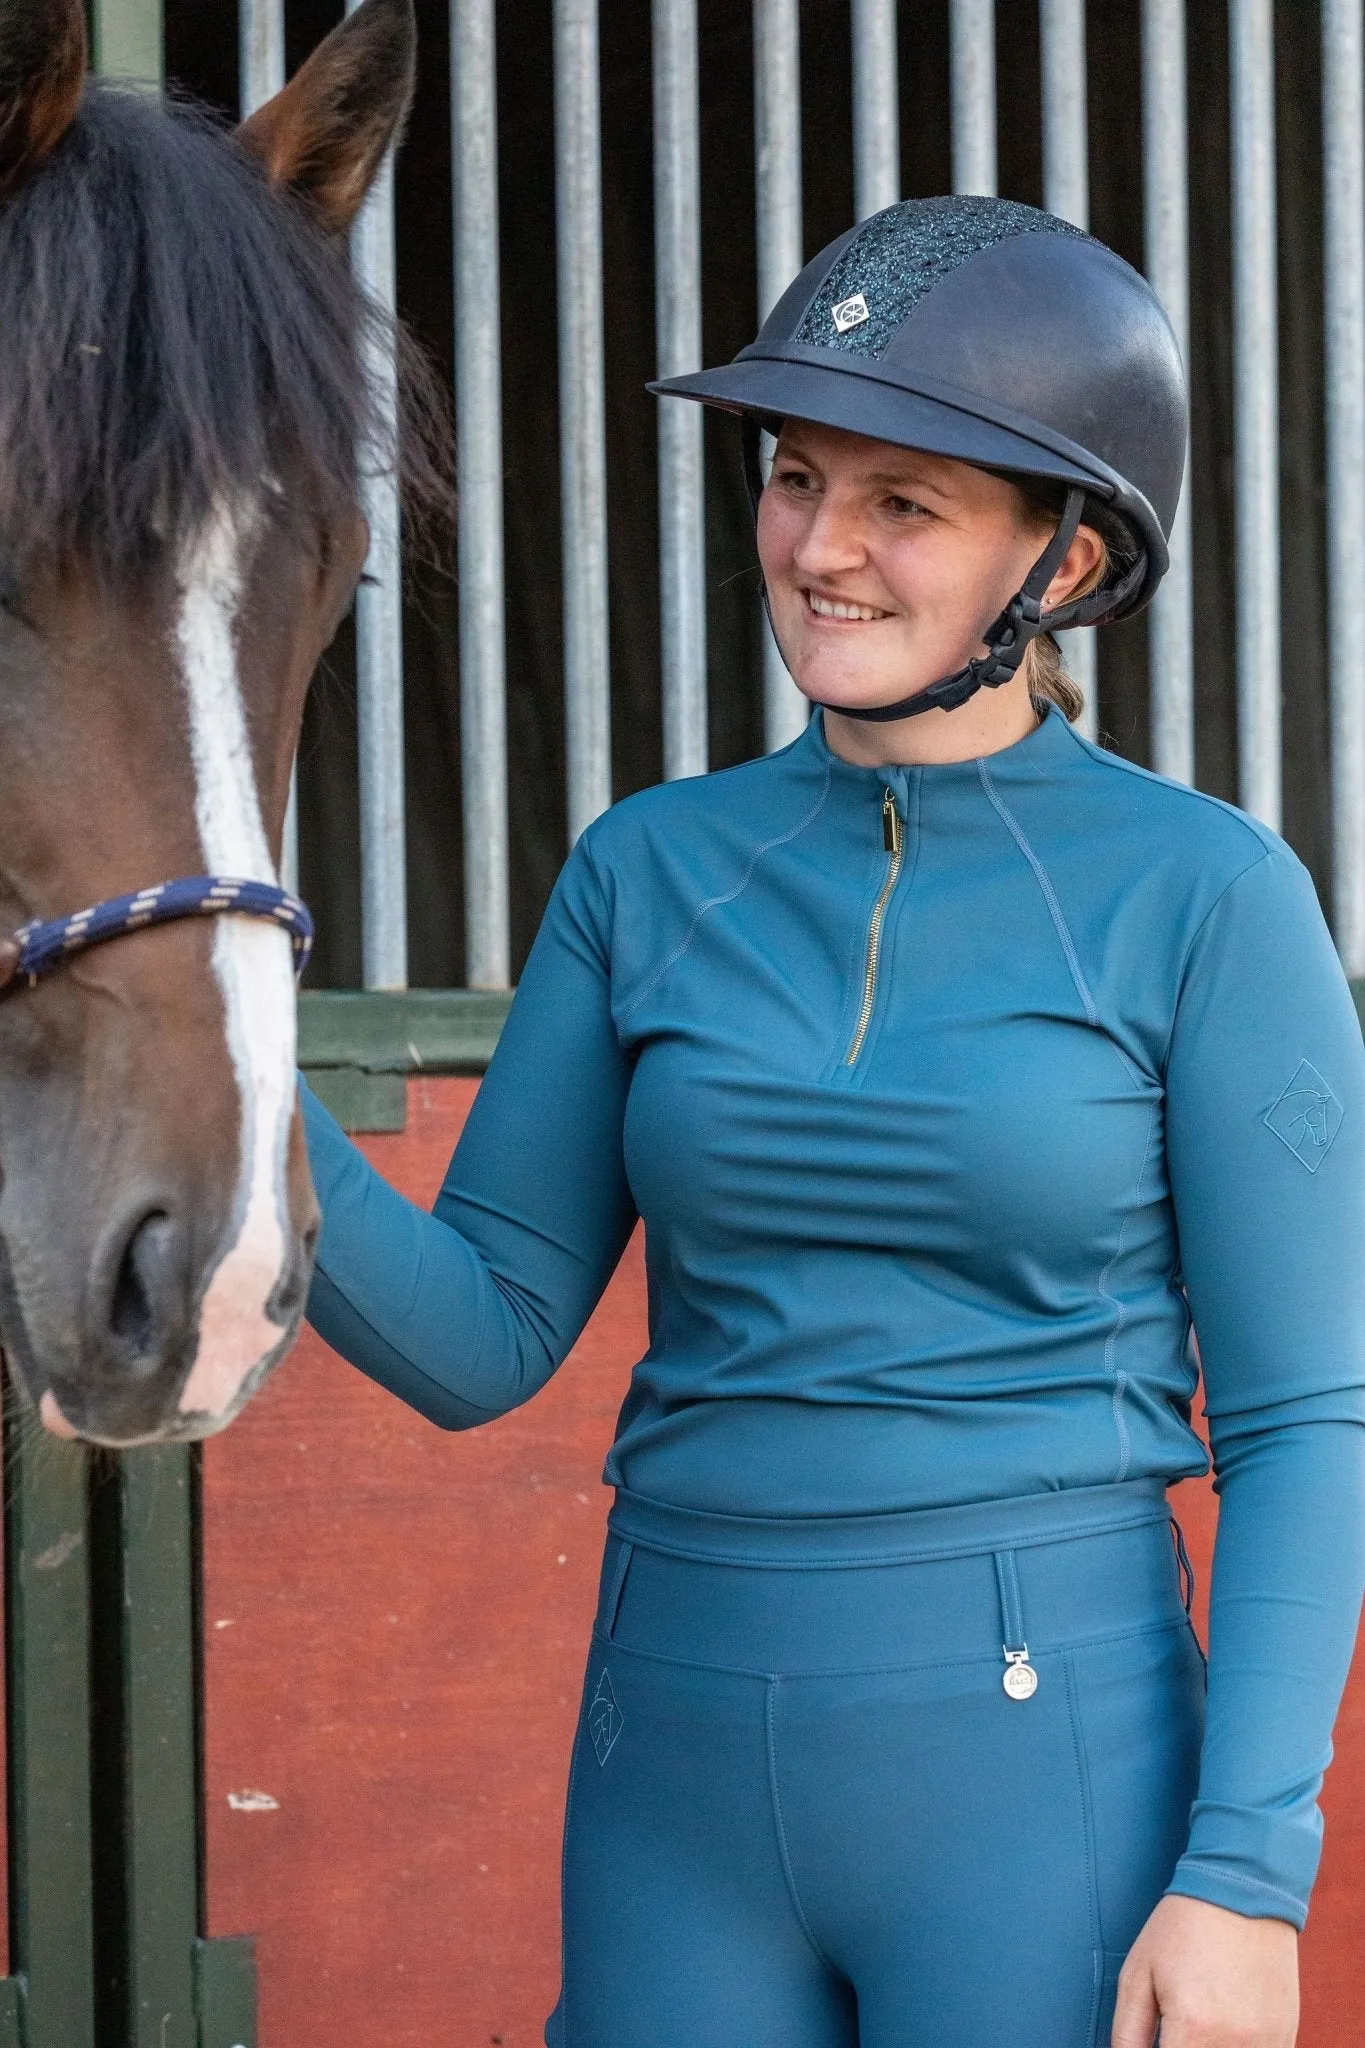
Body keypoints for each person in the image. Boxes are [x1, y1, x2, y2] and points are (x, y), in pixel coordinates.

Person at [299, 196, 1365, 2048]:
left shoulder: (1204, 896)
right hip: (670, 1768)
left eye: (905, 503)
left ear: (1068, 557)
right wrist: (225, 1065)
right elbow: (478, 1338)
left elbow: (1305, 1422)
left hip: (1047, 1780)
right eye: (796, 478)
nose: (819, 549)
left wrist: (1248, 1875)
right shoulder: (650, 870)